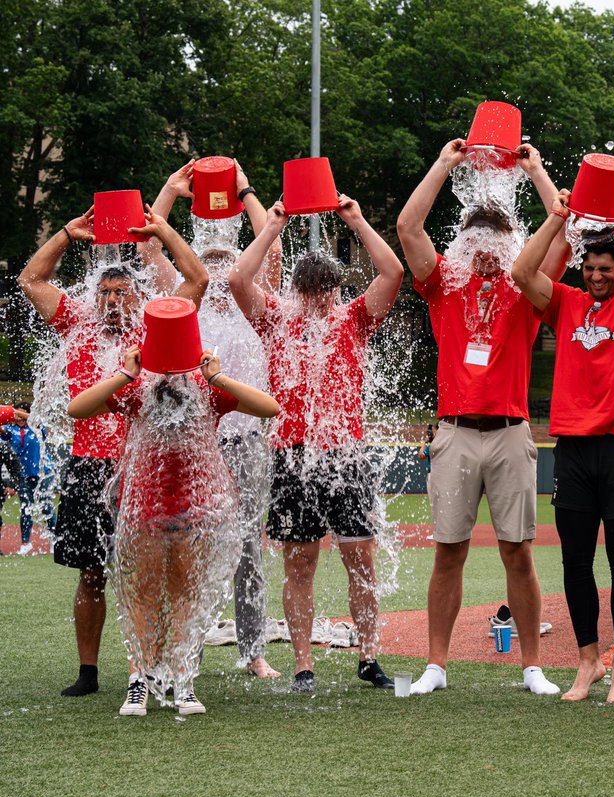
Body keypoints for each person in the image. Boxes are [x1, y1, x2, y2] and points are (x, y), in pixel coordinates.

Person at [396, 138, 564, 697]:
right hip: (455, 431)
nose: (487, 253)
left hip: (511, 432)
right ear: (464, 242)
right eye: (477, 241)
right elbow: (408, 227)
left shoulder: (525, 286)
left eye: (498, 243)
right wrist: (444, 163)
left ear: (512, 243)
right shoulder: (445, 284)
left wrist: (536, 171)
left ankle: (532, 666)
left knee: (518, 551)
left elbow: (564, 232)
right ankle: (436, 665)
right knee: (449, 550)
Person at [19, 204, 207, 697]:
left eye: (121, 292)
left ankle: (153, 670)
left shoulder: (156, 327)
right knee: (90, 573)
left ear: (138, 296)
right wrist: (66, 232)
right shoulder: (77, 323)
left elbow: (197, 281)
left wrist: (162, 229)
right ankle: (88, 672)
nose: (111, 301)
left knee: (154, 572)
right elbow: (31, 280)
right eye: (104, 292)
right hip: (89, 464)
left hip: (144, 465)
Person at [230, 195, 402, 693]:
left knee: (361, 561)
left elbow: (392, 273)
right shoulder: (276, 320)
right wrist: (272, 227)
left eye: (327, 290)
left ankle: (368, 656)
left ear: (337, 290)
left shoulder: (353, 320)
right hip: (292, 457)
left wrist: (357, 219)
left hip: (344, 455)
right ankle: (303, 665)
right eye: (310, 291)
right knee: (299, 563)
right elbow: (239, 279)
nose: (320, 301)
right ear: (297, 291)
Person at [67, 343, 279, 716]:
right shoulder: (137, 390)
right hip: (143, 510)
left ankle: (183, 681)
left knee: (185, 597)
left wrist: (218, 376)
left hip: (192, 511)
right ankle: (139, 682)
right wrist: (125, 374)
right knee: (145, 596)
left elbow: (269, 408)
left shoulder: (207, 390)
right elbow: (77, 408)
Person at [510, 189, 614, 702]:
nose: (597, 277)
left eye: (606, 269)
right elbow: (522, 272)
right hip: (573, 448)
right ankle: (588, 661)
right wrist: (559, 216)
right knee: (575, 562)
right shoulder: (566, 303)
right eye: (590, 268)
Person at [152, 159, 282, 679]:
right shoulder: (185, 307)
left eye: (231, 267)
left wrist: (245, 190)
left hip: (246, 440)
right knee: (192, 544)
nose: (223, 278)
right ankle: (190, 649)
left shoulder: (255, 307)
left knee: (249, 545)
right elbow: (149, 248)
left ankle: (253, 651)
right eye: (212, 267)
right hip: (194, 443)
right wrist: (169, 190)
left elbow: (271, 247)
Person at [1, 404, 58, 554]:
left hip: (44, 472)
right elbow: (2, 430)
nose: (19, 418)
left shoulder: (36, 427)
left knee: (46, 505)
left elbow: (36, 420)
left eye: (22, 415)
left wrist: (16, 412)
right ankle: (26, 543)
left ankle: (54, 540)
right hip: (23, 475)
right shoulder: (10, 430)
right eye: (17, 416)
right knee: (26, 508)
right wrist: (6, 413)